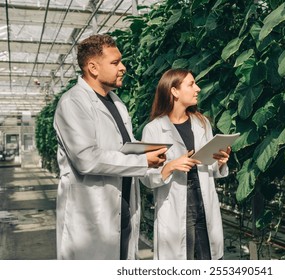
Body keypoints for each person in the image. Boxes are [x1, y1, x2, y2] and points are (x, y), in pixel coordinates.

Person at [53, 34, 166, 260]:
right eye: (115, 62)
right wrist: (143, 161)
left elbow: (124, 147)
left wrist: (149, 153)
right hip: (92, 216)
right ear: (93, 67)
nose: (123, 67)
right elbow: (87, 159)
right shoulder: (73, 103)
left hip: (122, 207)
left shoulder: (117, 103)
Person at [141, 68, 231, 260]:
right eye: (191, 84)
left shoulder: (202, 123)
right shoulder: (154, 129)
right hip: (176, 204)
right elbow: (146, 177)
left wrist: (220, 162)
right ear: (174, 91)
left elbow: (210, 169)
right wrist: (170, 166)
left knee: (208, 257)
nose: (197, 89)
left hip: (203, 199)